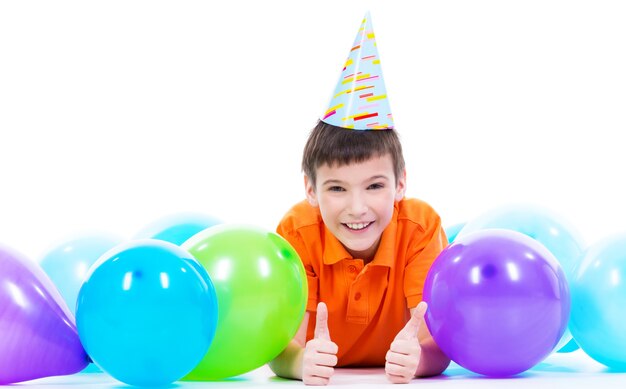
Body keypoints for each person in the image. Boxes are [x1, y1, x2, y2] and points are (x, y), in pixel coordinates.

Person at [268, 12, 450, 385]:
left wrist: (420, 362)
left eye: (375, 186)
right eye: (336, 188)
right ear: (310, 191)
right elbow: (282, 349)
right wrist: (299, 364)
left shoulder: (419, 227)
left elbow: (439, 344)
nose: (357, 208)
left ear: (401, 183)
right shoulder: (297, 232)